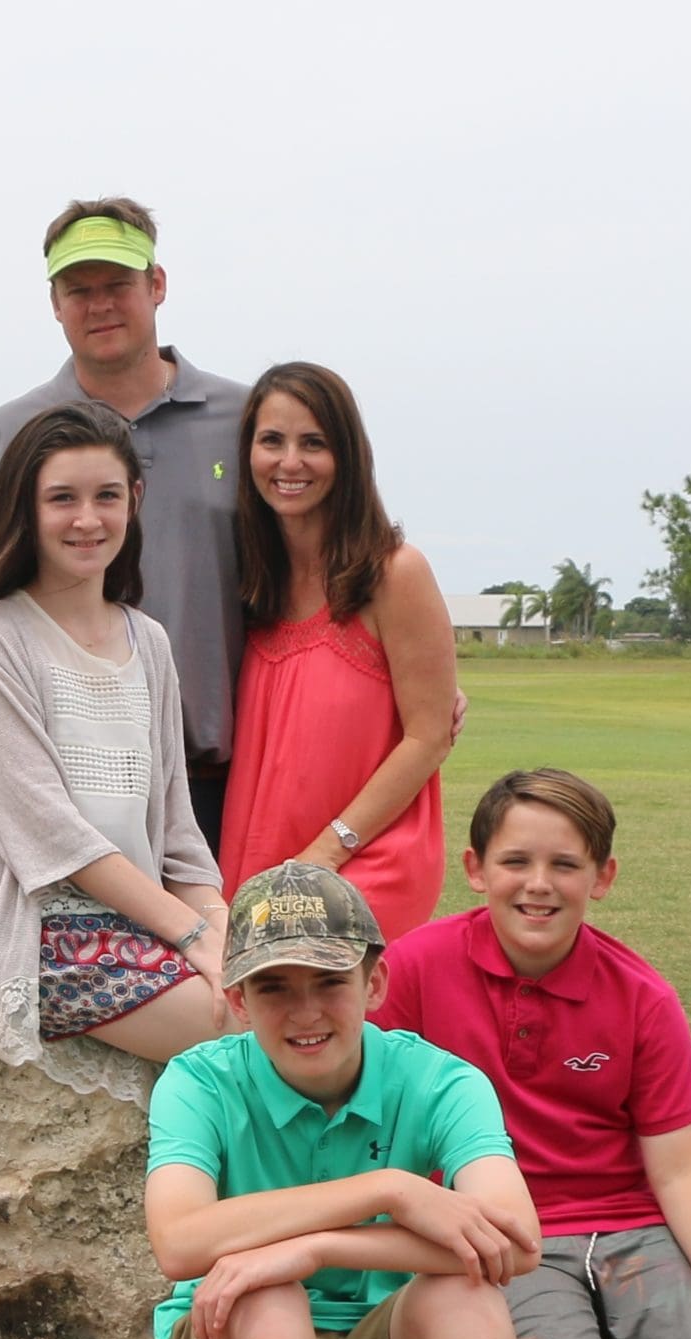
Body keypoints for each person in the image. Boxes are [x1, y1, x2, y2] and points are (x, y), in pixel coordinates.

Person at [371, 769, 691, 1339]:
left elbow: (681, 1169)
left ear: (601, 877)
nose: (538, 884)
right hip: (509, 1236)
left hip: (634, 1233)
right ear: (475, 868)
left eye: (565, 864)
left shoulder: (642, 999)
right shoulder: (414, 968)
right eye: (515, 860)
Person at [144, 861, 540, 1339]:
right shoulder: (199, 1081)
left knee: (468, 1301)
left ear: (373, 983)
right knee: (267, 1306)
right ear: (238, 1001)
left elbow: (516, 1242)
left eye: (329, 981)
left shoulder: (440, 1080)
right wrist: (387, 1190)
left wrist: (315, 1250)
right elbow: (179, 1241)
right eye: (273, 987)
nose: (305, 1013)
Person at [0, 402, 231, 1103]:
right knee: (257, 1025)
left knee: (306, 999)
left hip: (151, 923)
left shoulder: (149, 641)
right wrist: (191, 936)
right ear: (24, 510)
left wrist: (227, 935)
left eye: (105, 495)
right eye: (61, 498)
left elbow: (178, 833)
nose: (86, 519)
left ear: (135, 499)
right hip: (49, 937)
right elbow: (53, 839)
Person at [0, 198, 248, 845]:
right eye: (78, 290)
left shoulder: (247, 420)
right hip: (67, 778)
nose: (100, 305)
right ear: (54, 303)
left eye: (118, 284)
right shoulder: (5, 437)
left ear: (157, 285)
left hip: (223, 772)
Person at [215, 362, 454, 939]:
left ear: (347, 456)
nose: (289, 462)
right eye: (272, 440)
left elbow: (429, 734)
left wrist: (326, 854)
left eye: (313, 443)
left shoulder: (395, 573)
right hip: (260, 867)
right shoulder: (248, 578)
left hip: (361, 861)